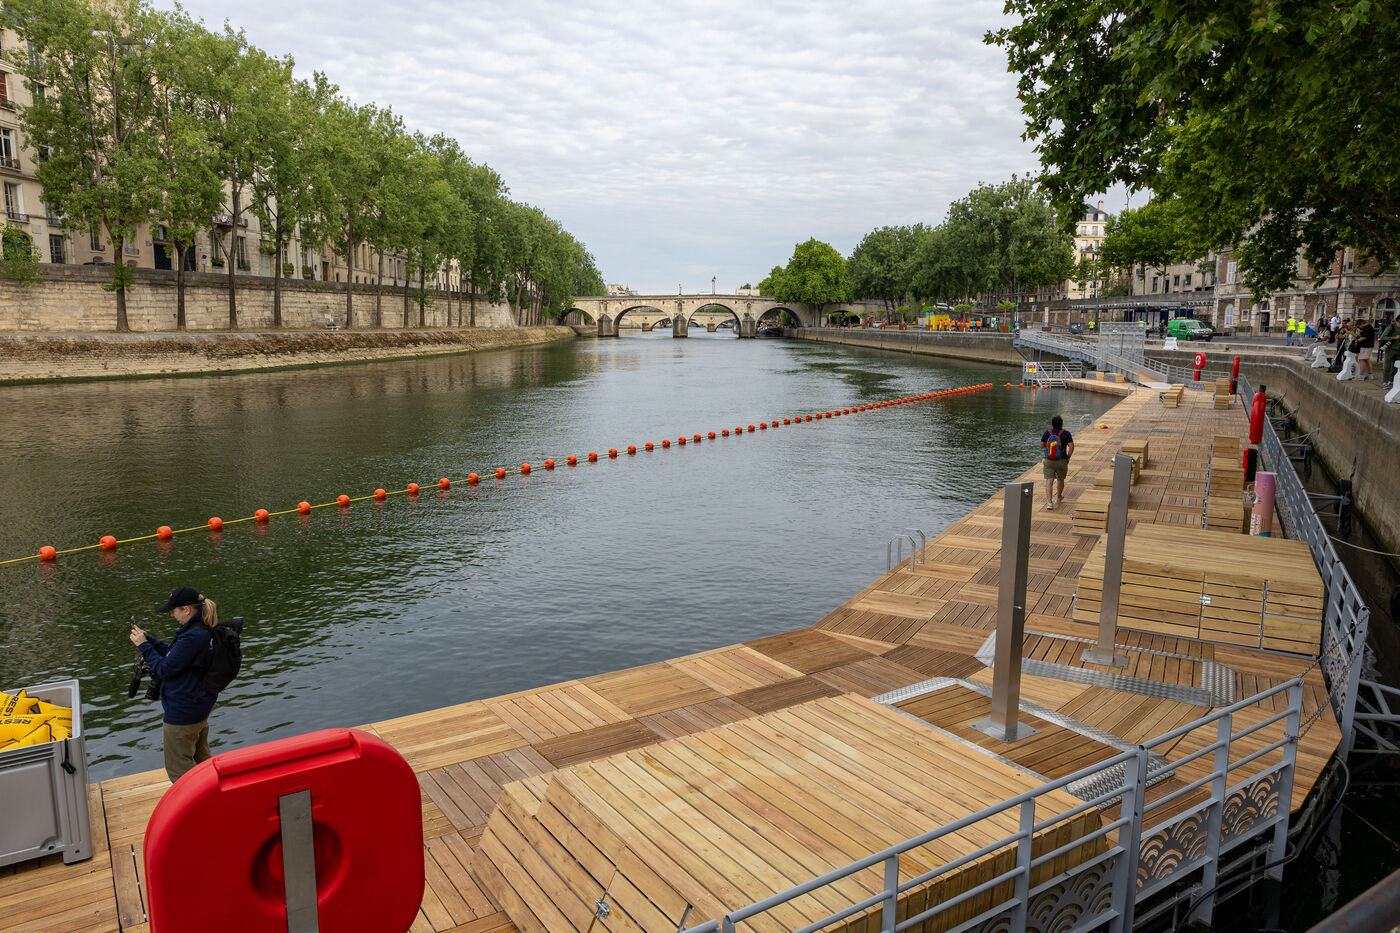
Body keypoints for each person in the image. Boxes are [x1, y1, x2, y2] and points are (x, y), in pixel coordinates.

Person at [130, 587, 219, 783]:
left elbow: (165, 669)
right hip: (198, 707)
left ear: (186, 609)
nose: (171, 614)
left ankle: (197, 802)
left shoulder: (193, 636)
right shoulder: (201, 629)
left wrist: (143, 646)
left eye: (174, 610)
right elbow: (174, 654)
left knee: (179, 771)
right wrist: (148, 640)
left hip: (183, 712)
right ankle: (215, 797)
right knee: (202, 762)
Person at [1040, 415, 1074, 510]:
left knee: (1049, 481)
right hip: (1062, 460)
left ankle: (1049, 503)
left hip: (1049, 460)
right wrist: (1068, 457)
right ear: (1061, 424)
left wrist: (1049, 446)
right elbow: (1071, 446)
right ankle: (1058, 497)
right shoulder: (1066, 433)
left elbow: (1041, 445)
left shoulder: (1047, 433)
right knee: (1060, 479)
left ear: (1052, 424)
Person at [1380, 317, 1400, 389]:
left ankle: (1391, 381)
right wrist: (1394, 337)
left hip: (1399, 350)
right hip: (1390, 349)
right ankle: (1385, 382)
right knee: (1387, 366)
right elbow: (1383, 337)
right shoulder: (1391, 327)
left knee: (1395, 367)